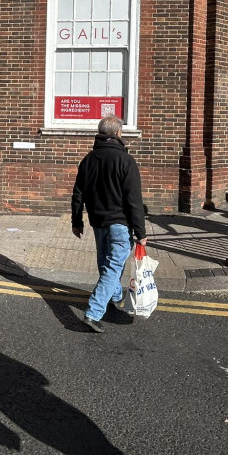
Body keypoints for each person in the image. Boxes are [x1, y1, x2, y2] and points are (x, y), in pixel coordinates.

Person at [71, 115, 146, 333]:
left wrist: (77, 221)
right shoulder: (126, 161)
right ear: (119, 134)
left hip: (98, 222)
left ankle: (114, 296)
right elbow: (134, 200)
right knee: (113, 266)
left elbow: (78, 194)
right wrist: (141, 232)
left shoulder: (88, 159)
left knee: (107, 262)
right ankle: (93, 312)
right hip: (120, 224)